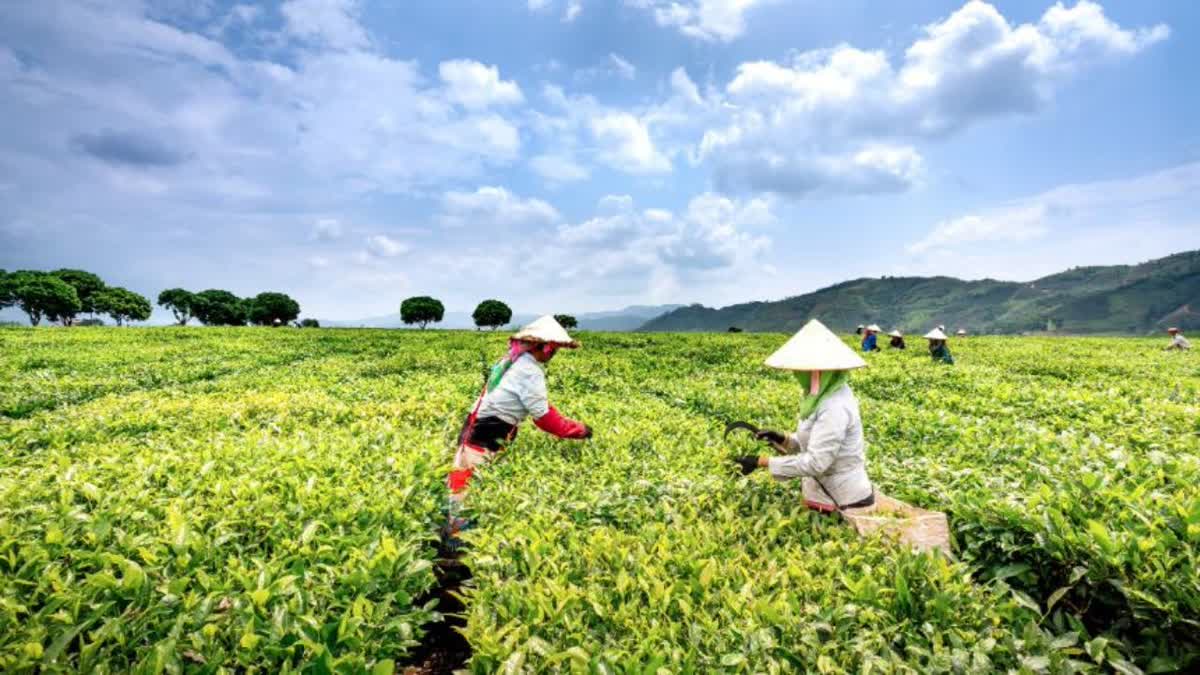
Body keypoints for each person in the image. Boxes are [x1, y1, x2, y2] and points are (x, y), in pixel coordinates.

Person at [445, 315, 592, 543]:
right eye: (553, 349)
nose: (553, 354)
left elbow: (537, 405)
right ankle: (457, 553)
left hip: (476, 434)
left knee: (462, 489)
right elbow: (544, 418)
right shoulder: (529, 371)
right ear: (543, 347)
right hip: (483, 438)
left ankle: (457, 546)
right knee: (466, 496)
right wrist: (579, 430)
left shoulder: (514, 361)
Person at [733, 319, 876, 512]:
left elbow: (816, 462)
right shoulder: (820, 396)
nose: (796, 374)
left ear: (816, 372)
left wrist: (762, 462)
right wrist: (782, 439)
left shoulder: (835, 406)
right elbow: (813, 444)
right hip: (822, 494)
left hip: (844, 500)